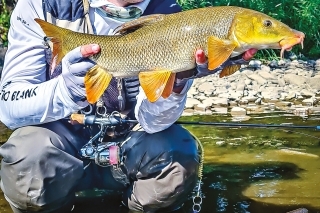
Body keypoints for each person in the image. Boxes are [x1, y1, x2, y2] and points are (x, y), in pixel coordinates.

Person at [0, 0, 257, 212]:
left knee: (179, 157)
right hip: (60, 149)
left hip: (129, 150)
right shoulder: (43, 6)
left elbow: (153, 122)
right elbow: (9, 110)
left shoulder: (171, 15)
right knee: (27, 156)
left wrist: (177, 83)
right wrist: (65, 91)